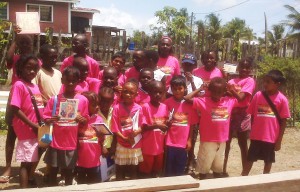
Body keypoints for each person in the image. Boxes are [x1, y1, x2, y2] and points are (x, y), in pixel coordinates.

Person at [43, 66, 89, 186]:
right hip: (55, 143)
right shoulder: (54, 100)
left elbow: (86, 120)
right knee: (53, 171)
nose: (70, 83)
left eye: (73, 80)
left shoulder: (82, 100)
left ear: (78, 82)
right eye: (67, 80)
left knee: (69, 173)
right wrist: (51, 119)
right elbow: (45, 117)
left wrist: (81, 119)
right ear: (62, 80)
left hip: (71, 144)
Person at [185, 77, 237, 179]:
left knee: (217, 168)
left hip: (222, 141)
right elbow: (187, 98)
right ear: (210, 91)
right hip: (208, 141)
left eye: (220, 91)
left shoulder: (229, 101)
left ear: (224, 92)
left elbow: (241, 99)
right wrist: (200, 89)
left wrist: (231, 90)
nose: (217, 93)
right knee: (204, 168)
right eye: (214, 91)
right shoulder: (203, 101)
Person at [242, 70, 290, 175]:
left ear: (277, 84)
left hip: (270, 138)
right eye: (264, 81)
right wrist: (253, 131)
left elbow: (284, 121)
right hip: (256, 136)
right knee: (250, 159)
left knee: (268, 161)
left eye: (268, 82)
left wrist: (279, 141)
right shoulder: (258, 95)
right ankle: (243, 178)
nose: (265, 84)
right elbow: (252, 115)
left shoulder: (282, 100)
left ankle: (266, 180)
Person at [9, 55, 44, 188]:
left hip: (36, 128)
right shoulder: (19, 85)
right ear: (20, 68)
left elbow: (38, 105)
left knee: (33, 158)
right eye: (28, 68)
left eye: (35, 69)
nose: (32, 71)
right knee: (26, 162)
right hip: (27, 129)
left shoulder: (34, 86)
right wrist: (32, 125)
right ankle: (23, 188)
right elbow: (15, 109)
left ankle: (29, 181)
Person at [223, 58, 256, 176]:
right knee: (226, 142)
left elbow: (241, 98)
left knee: (242, 143)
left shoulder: (250, 81)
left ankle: (245, 172)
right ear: (238, 68)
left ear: (250, 69)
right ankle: (223, 169)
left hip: (243, 113)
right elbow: (225, 93)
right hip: (231, 112)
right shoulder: (232, 80)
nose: (244, 70)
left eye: (247, 68)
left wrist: (231, 91)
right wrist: (230, 91)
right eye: (242, 67)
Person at [164, 75, 198, 176]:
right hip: (169, 142)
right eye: (174, 89)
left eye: (180, 88)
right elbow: (165, 120)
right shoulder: (167, 103)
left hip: (183, 143)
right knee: (168, 168)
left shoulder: (189, 105)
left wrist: (189, 140)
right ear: (171, 89)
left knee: (180, 167)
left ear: (185, 88)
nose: (177, 91)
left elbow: (192, 124)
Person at [111, 81, 144, 180]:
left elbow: (142, 125)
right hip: (121, 142)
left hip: (134, 143)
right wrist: (124, 138)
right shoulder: (116, 108)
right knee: (120, 168)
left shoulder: (139, 108)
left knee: (133, 169)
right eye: (125, 92)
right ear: (121, 93)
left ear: (136, 94)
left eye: (131, 92)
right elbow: (115, 127)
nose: (128, 95)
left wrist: (137, 131)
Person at [139, 81, 169, 178]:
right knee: (145, 171)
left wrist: (168, 123)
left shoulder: (164, 107)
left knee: (156, 170)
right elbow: (144, 127)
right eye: (155, 92)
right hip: (148, 146)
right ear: (149, 93)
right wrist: (157, 126)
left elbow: (165, 123)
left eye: (160, 92)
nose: (158, 95)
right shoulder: (145, 107)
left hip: (159, 146)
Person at [76, 91, 103, 184]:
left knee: (94, 183)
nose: (97, 107)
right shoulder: (78, 120)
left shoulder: (99, 119)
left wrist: (101, 136)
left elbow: (102, 138)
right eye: (94, 105)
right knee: (80, 183)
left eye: (98, 104)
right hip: (79, 161)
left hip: (94, 159)